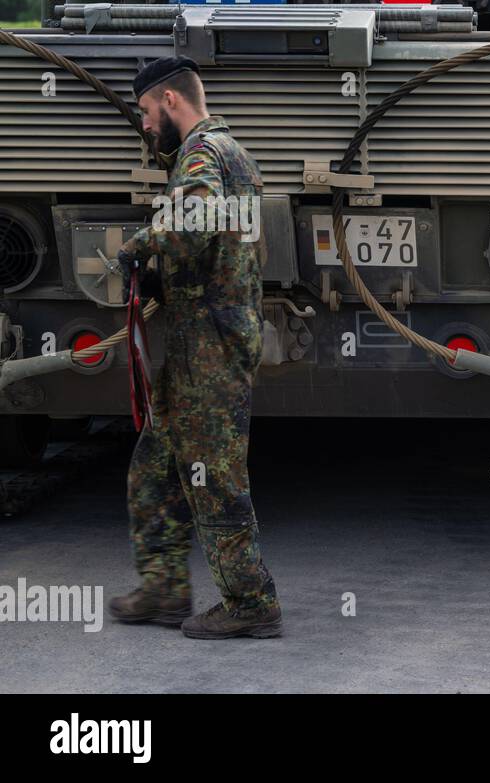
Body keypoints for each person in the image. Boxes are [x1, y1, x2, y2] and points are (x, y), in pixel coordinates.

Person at [106, 56, 281, 638]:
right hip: (201, 344)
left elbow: (197, 219)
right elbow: (225, 247)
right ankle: (164, 589)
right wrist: (164, 279)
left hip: (211, 350)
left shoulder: (204, 153)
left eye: (146, 110)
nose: (146, 123)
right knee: (154, 468)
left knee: (212, 478)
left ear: (170, 100)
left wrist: (138, 246)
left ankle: (251, 601)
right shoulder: (231, 152)